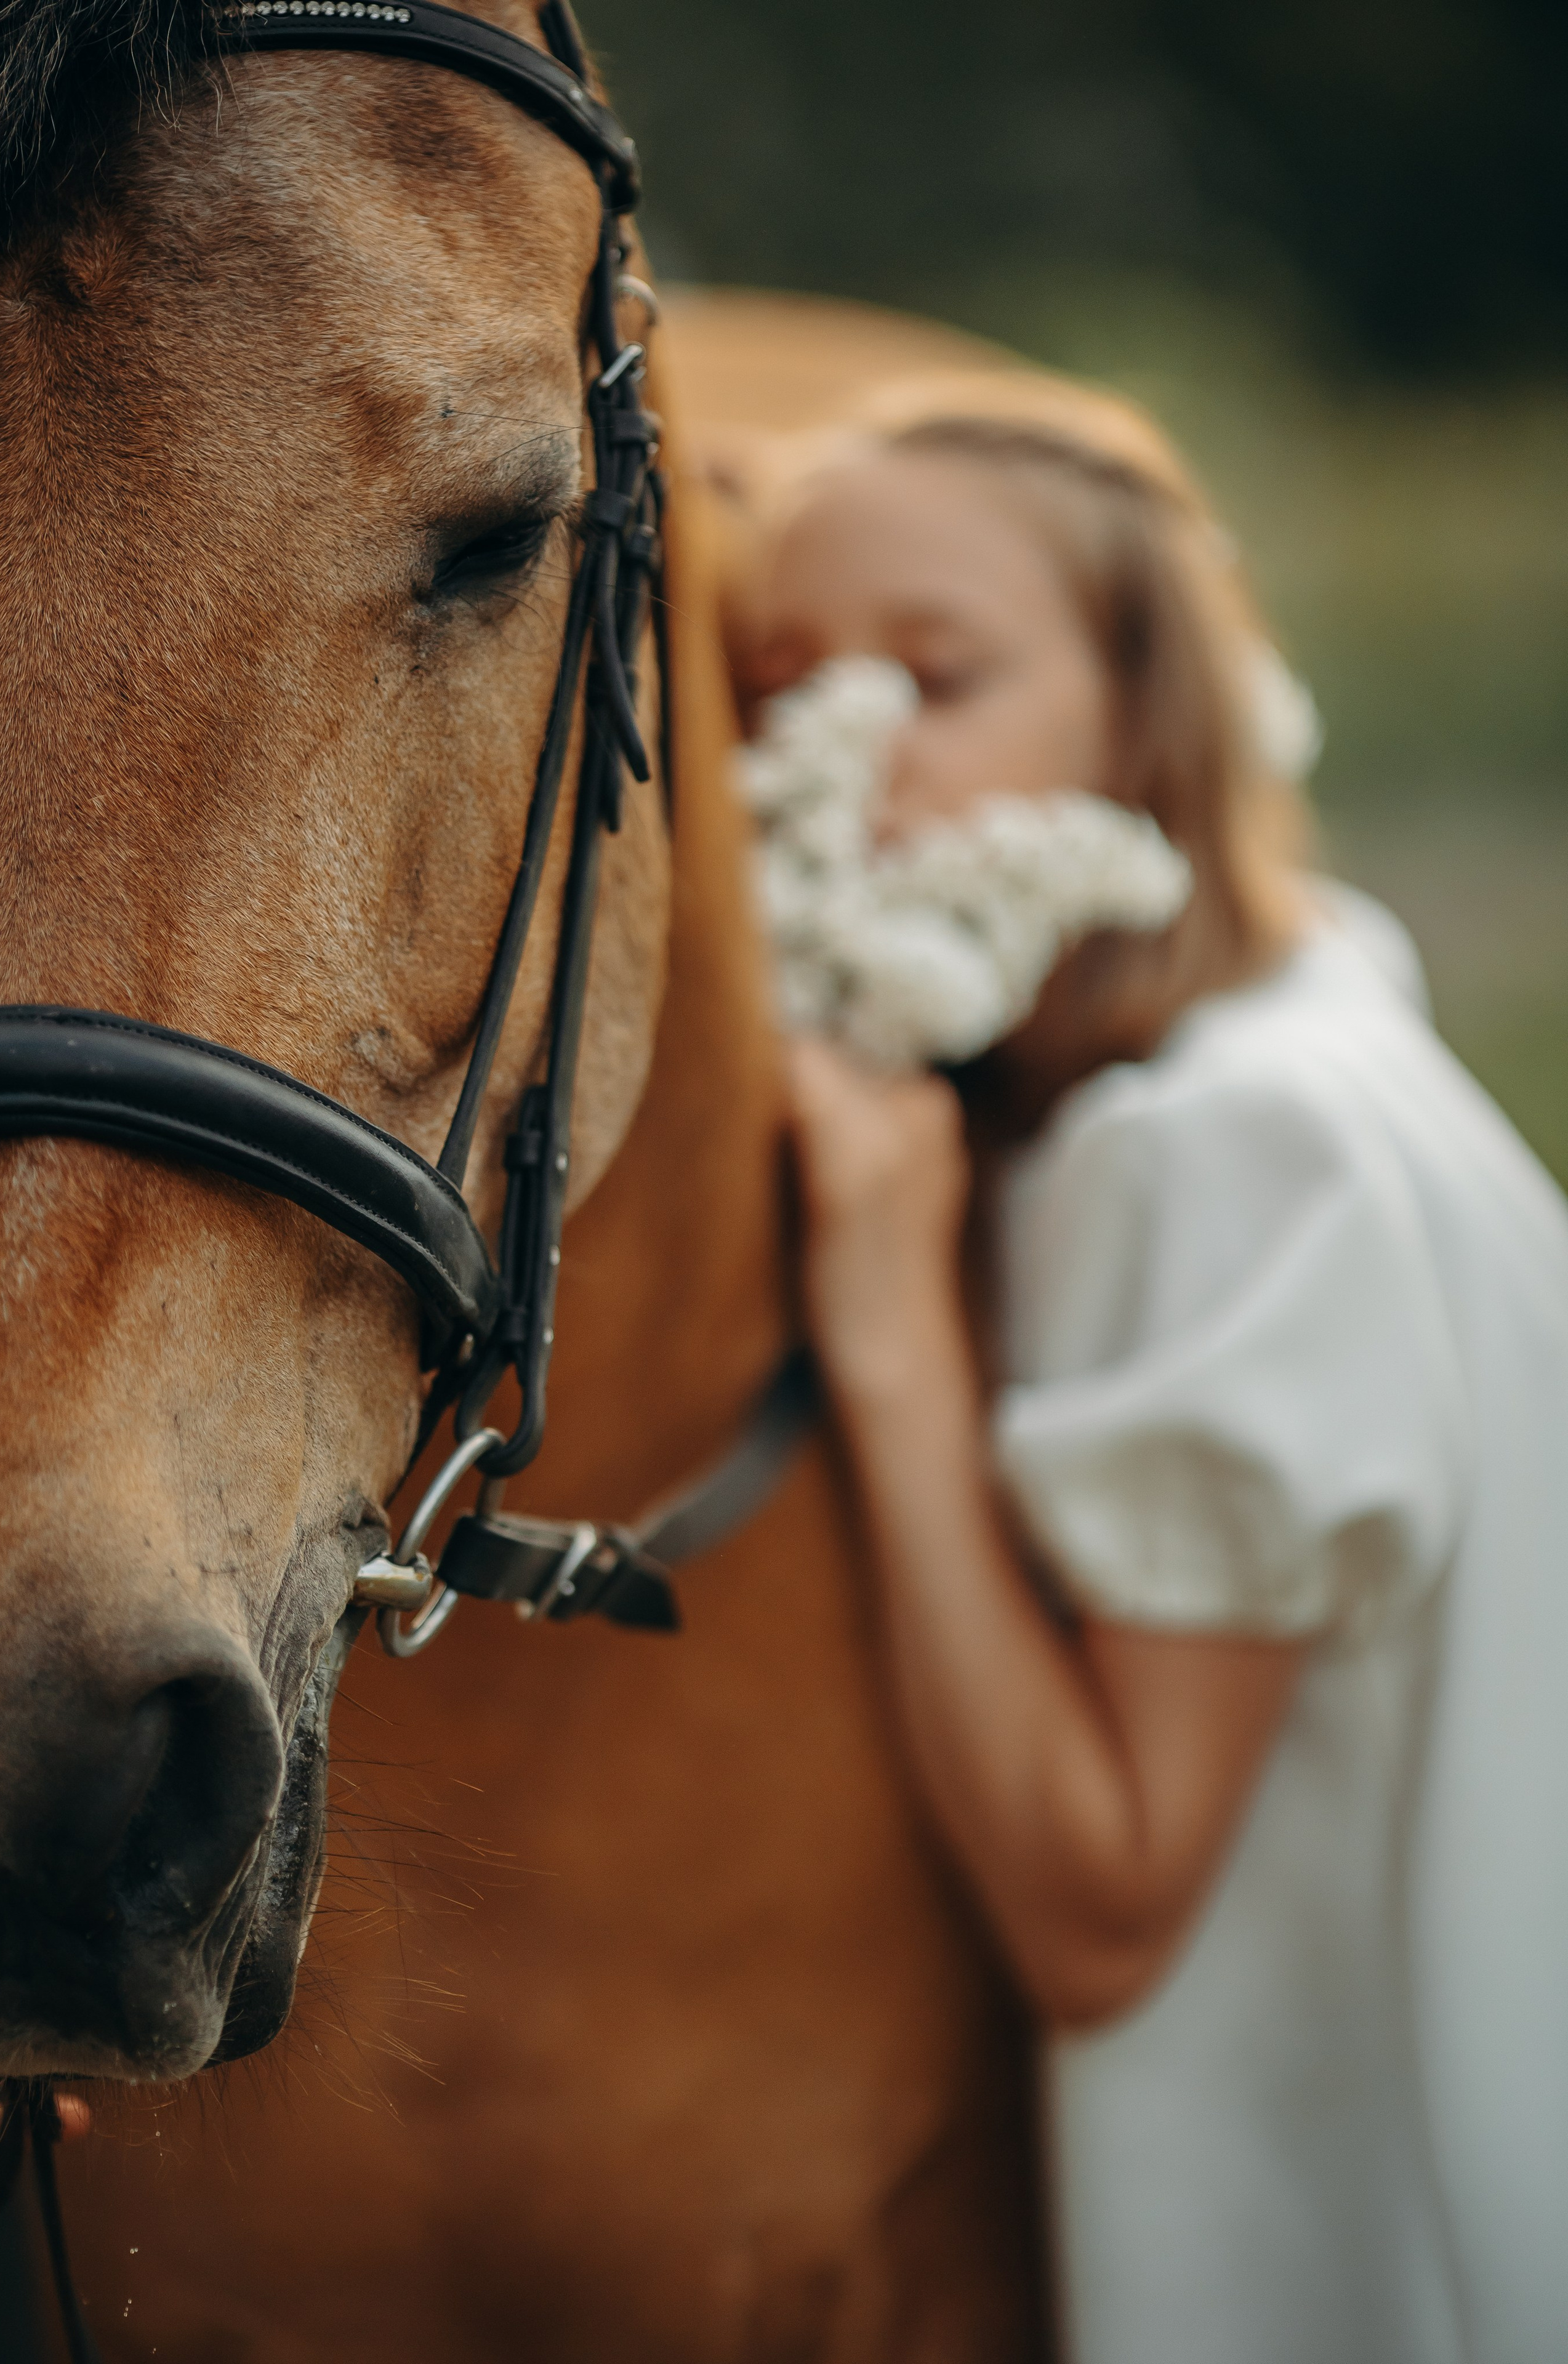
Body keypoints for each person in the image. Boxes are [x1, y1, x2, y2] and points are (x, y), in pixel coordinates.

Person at [725, 369, 1568, 2363]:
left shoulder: (1230, 1152)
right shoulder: (1322, 1009)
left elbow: (1102, 1912)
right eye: (776, 690)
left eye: (939, 676)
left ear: (1149, 715)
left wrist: (893, 1333)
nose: (842, 759)